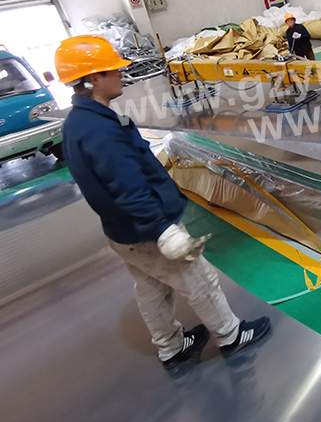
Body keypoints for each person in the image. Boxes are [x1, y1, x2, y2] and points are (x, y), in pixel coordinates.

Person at [55, 35, 270, 370]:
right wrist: (163, 229)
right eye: (114, 69)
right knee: (199, 279)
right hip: (147, 229)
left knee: (151, 289)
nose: (121, 74)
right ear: (94, 77)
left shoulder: (80, 122)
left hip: (123, 232)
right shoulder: (100, 131)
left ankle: (171, 347)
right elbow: (128, 188)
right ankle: (231, 336)